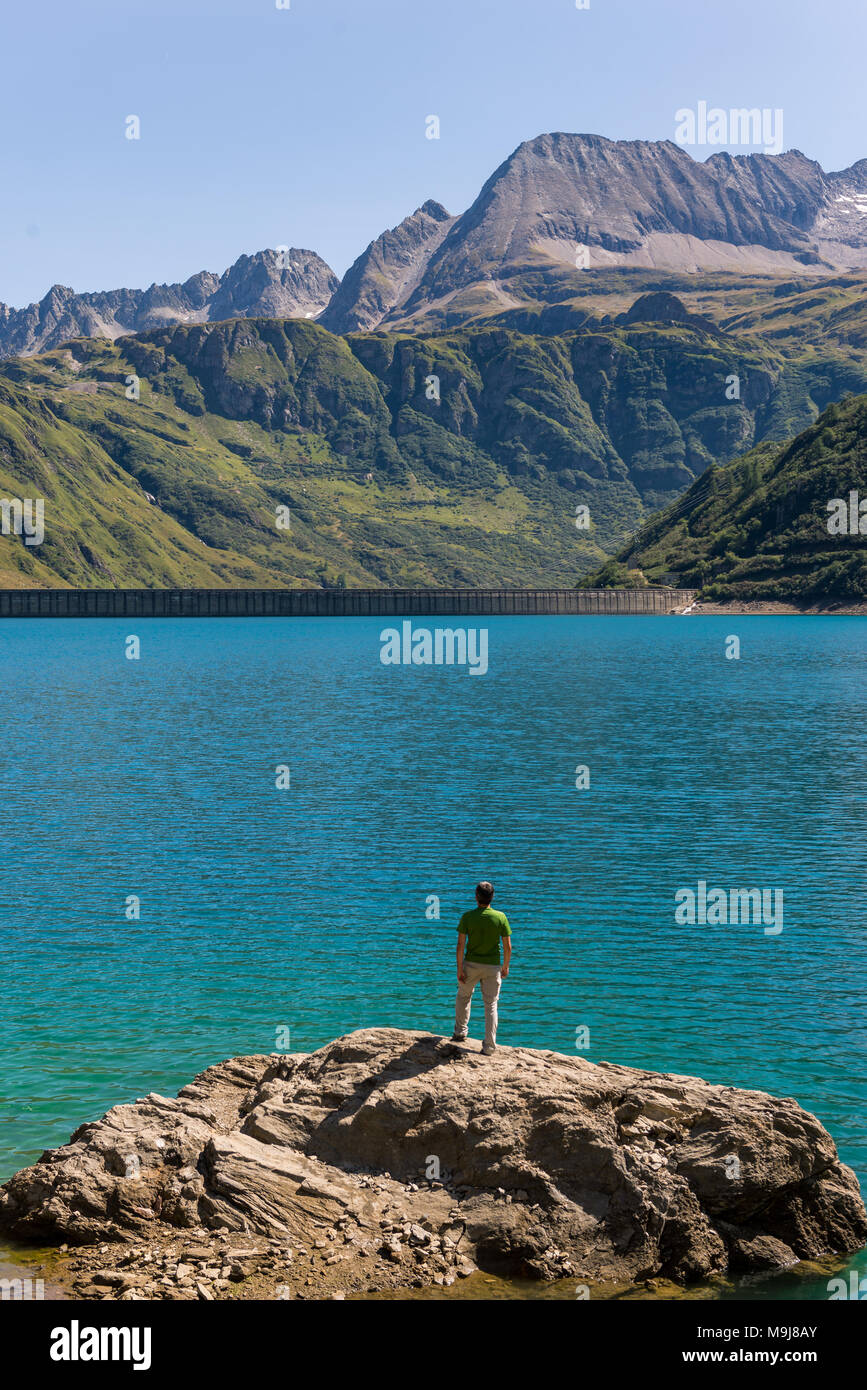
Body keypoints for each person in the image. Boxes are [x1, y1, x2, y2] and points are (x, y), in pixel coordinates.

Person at [452, 881, 512, 1055]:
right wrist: (505, 966)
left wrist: (459, 969)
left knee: (463, 996)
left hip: (470, 965)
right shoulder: (500, 917)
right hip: (493, 967)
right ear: (492, 897)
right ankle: (490, 1046)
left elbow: (460, 944)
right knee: (491, 1005)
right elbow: (507, 946)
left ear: (476, 896)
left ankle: (460, 1032)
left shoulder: (468, 917)